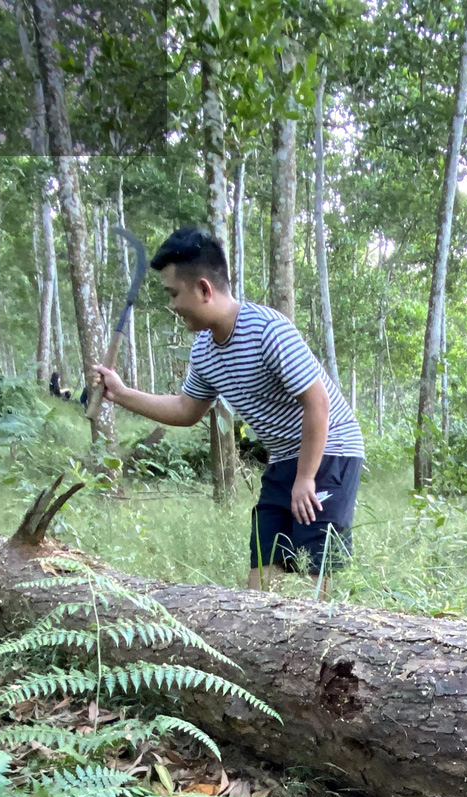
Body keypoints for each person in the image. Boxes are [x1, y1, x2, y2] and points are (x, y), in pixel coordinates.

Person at [88, 227, 365, 588]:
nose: (171, 305)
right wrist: (122, 394)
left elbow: (318, 404)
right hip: (284, 458)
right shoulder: (204, 350)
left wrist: (306, 478)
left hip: (329, 449)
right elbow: (187, 410)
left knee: (315, 570)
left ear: (204, 289)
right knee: (262, 575)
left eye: (174, 294)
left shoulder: (268, 331)